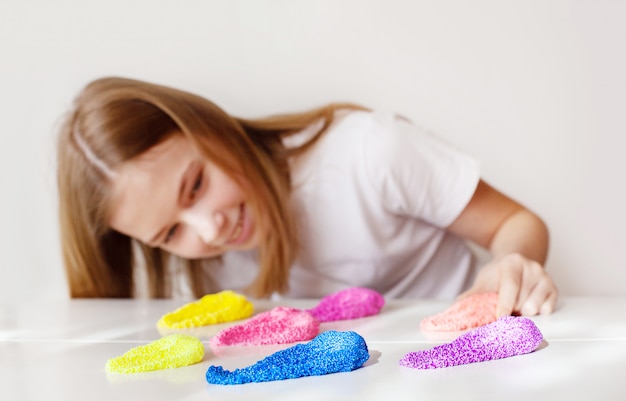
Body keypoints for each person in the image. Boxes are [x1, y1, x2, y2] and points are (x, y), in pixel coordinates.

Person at [56, 76, 558, 317]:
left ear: (212, 128)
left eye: (196, 185)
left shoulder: (367, 152)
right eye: (170, 232)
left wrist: (509, 264)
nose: (210, 230)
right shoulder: (207, 266)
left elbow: (514, 221)